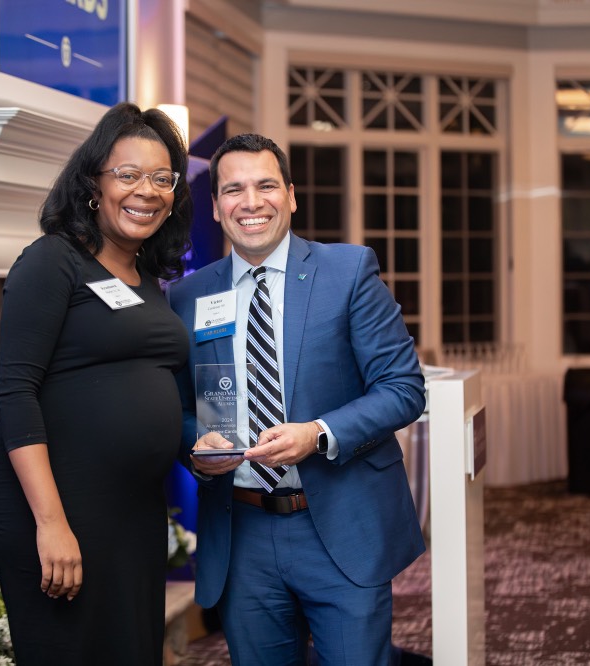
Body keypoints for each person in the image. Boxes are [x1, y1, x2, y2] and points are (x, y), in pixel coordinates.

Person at [167, 133, 426, 665]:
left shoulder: (348, 272)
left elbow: (403, 388)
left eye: (266, 185)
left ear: (291, 195)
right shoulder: (190, 295)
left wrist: (318, 433)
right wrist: (197, 442)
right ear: (215, 207)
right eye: (233, 189)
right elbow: (177, 408)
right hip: (242, 535)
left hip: (338, 522)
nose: (252, 202)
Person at [0, 102, 192, 664]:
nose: (147, 190)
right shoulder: (53, 261)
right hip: (55, 507)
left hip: (133, 511)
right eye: (128, 174)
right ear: (93, 182)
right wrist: (52, 525)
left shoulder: (145, 277)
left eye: (162, 178)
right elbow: (14, 393)